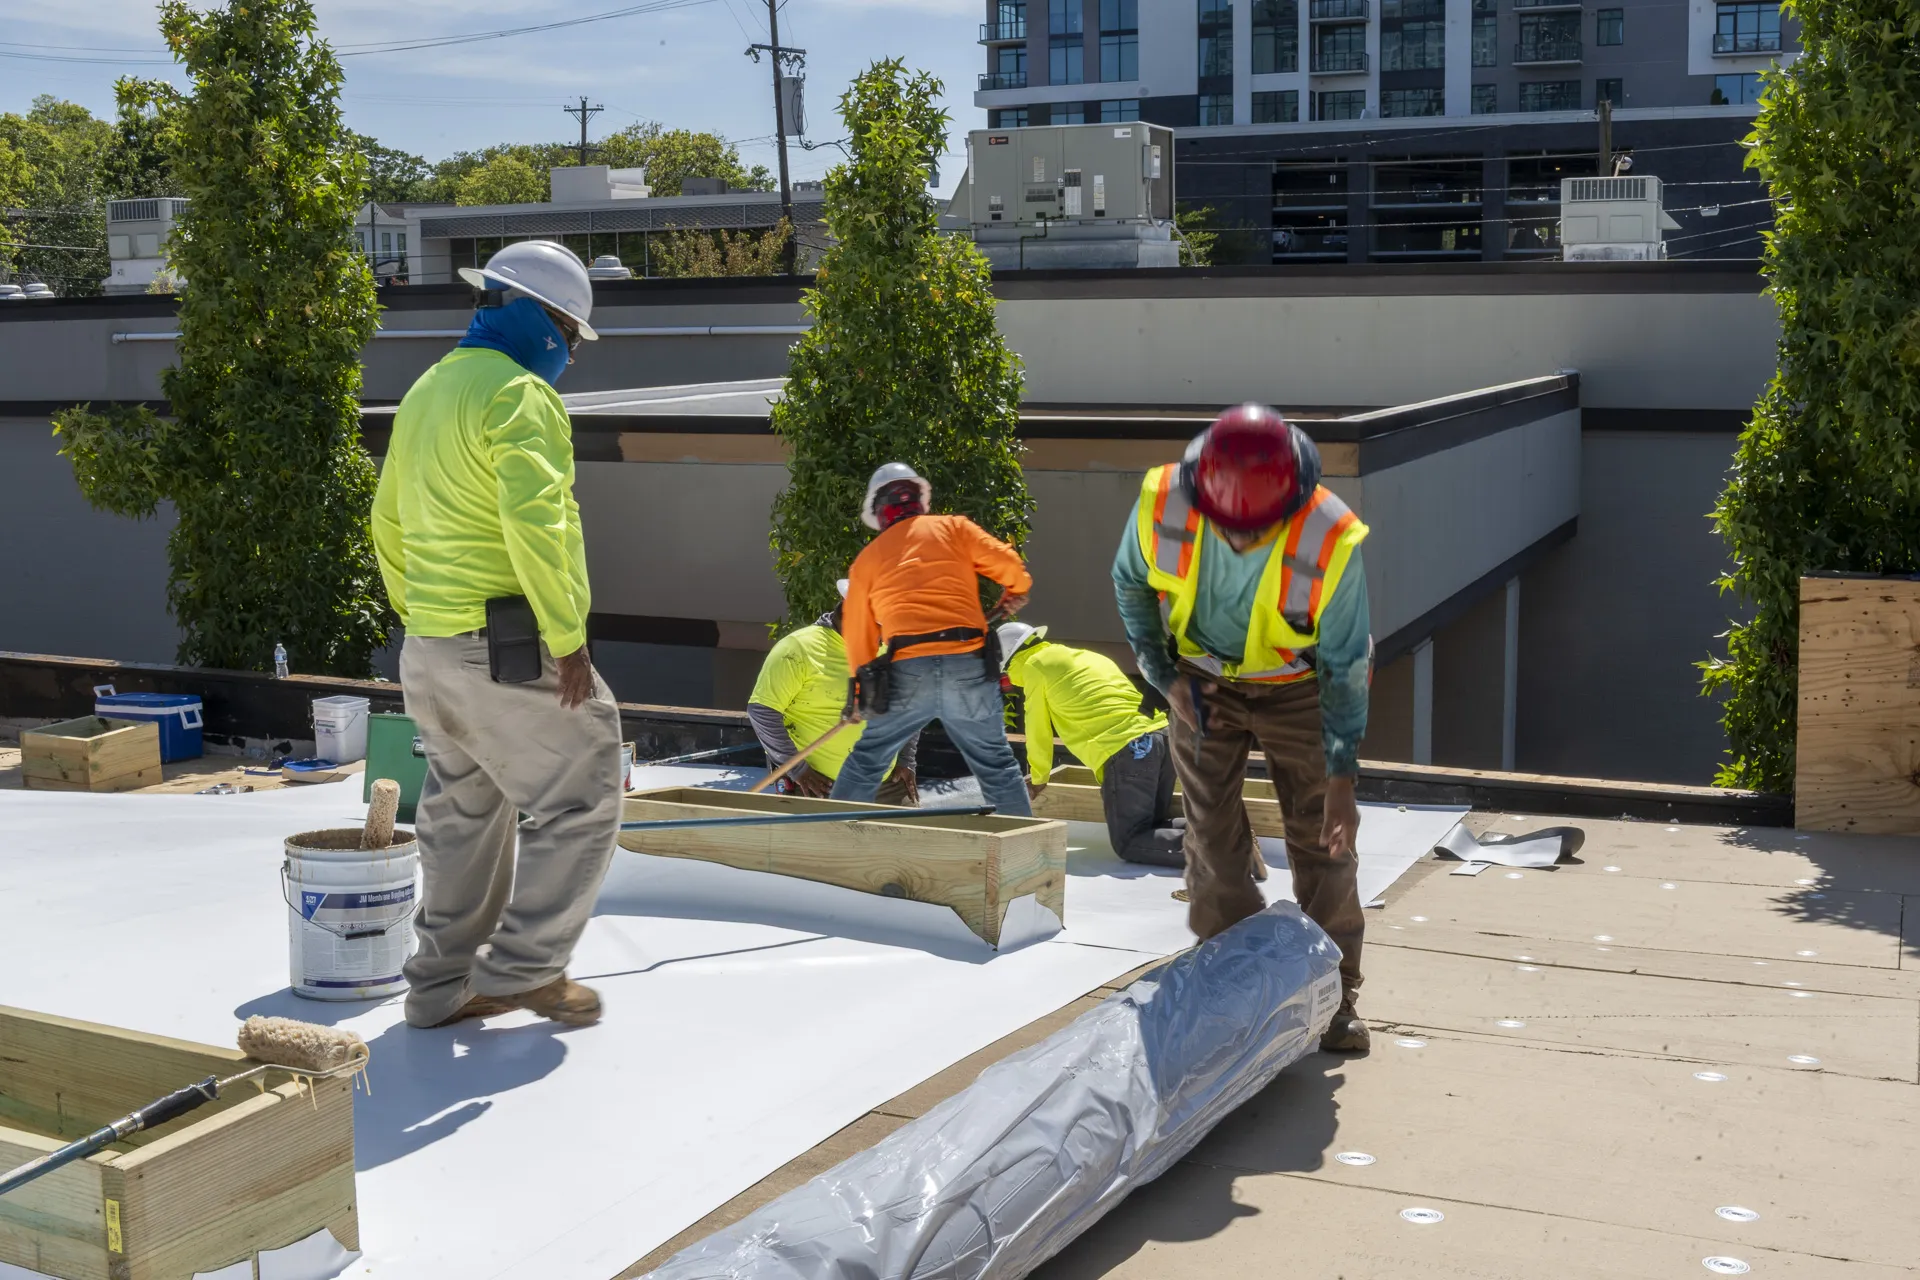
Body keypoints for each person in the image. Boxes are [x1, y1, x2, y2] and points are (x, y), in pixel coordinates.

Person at [372, 240, 621, 1031]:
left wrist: (422, 616)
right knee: (587, 784)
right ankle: (526, 968)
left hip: (430, 647)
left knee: (467, 809)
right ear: (541, 318)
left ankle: (440, 987)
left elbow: (385, 521)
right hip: (506, 645)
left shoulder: (427, 390)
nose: (572, 356)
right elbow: (536, 520)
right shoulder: (518, 395)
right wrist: (567, 637)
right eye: (571, 336)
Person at [1111, 404, 1374, 1053]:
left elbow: (1344, 665)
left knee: (1325, 843)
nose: (1236, 541)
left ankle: (1336, 997)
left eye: (1251, 533)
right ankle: (1231, 983)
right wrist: (1165, 677)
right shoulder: (1165, 501)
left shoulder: (1329, 535)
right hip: (1201, 683)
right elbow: (1130, 584)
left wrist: (1342, 779)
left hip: (1300, 688)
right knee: (1212, 841)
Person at [832, 463, 1034, 818]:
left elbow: (859, 633)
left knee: (868, 760)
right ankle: (1027, 852)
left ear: (879, 511)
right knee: (996, 764)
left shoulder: (867, 561)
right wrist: (1014, 592)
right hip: (969, 663)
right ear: (919, 501)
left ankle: (822, 838)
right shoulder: (954, 528)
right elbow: (1010, 566)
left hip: (908, 670)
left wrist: (860, 693)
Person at [997, 622, 1184, 867]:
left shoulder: (1034, 666)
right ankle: (1225, 836)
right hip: (1162, 738)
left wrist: (1039, 777)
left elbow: (1037, 729)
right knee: (1152, 827)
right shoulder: (1085, 656)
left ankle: (1224, 856)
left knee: (1130, 841)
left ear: (1010, 662)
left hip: (1127, 748)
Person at [748, 580, 919, 804]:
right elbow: (762, 711)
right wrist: (797, 769)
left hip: (887, 785)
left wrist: (906, 759)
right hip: (821, 787)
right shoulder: (798, 650)